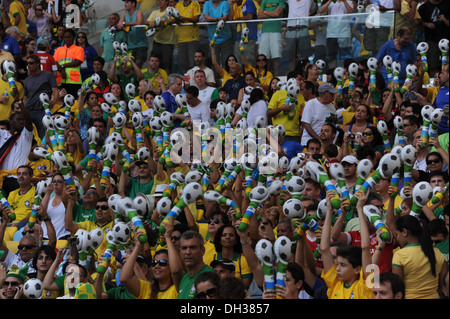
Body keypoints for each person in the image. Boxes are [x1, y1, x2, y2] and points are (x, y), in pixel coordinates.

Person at [320, 190, 374, 299]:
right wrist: (329, 210)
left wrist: (359, 209)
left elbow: (365, 247)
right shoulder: (334, 283)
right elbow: (324, 248)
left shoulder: (368, 285)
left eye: (343, 265)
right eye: (338, 264)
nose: (337, 269)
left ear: (357, 269)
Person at [392, 215, 447, 299]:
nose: (397, 239)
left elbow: (396, 289)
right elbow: (443, 287)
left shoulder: (400, 255)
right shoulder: (437, 253)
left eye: (397, 234)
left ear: (404, 232)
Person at [0, 95, 34, 196]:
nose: (22, 122)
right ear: (10, 120)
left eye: (23, 120)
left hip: (18, 180)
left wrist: (20, 103)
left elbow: (28, 119)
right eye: (19, 119)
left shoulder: (26, 135)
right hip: (2, 179)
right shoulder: (3, 134)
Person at [267, 70, 305, 143]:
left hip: (295, 136)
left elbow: (301, 118)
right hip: (279, 134)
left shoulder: (301, 97)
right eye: (300, 79)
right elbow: (268, 113)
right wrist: (281, 108)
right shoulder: (278, 94)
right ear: (292, 80)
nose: (302, 82)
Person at [175, 230, 215, 299]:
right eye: (184, 248)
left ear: (203, 250)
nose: (188, 252)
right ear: (180, 251)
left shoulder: (210, 277)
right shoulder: (184, 278)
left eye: (192, 247)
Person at [212, 224, 253, 289]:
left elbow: (245, 286)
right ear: (219, 239)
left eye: (231, 235)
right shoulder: (212, 258)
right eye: (224, 235)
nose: (227, 237)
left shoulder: (243, 260)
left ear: (236, 240)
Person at [317, 0, 354, 69]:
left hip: (344, 33)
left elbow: (351, 11)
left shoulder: (349, 1)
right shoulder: (330, 2)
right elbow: (320, 11)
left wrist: (344, 1)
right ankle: (332, 77)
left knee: (345, 59)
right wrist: (330, 0)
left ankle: (345, 78)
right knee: (331, 59)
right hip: (331, 34)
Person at [418, 0, 449, 76]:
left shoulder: (447, 4)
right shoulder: (423, 7)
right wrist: (426, 24)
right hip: (431, 39)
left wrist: (444, 19)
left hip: (447, 39)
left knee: (446, 65)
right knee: (433, 64)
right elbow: (418, 22)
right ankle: (435, 84)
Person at [3, 165, 35, 241]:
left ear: (31, 177)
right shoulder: (12, 194)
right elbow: (8, 213)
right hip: (12, 225)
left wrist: (19, 223)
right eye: (19, 174)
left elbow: (34, 214)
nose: (21, 176)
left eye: (24, 174)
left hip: (27, 224)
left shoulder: (35, 192)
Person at [301, 82, 337, 147]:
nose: (333, 96)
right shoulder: (311, 104)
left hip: (325, 145)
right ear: (324, 93)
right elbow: (306, 125)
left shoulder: (331, 106)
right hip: (308, 144)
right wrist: (318, 139)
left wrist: (334, 119)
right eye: (331, 94)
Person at [39, 173, 71, 244]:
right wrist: (48, 193)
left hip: (62, 236)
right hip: (45, 236)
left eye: (59, 182)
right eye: (54, 181)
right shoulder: (48, 199)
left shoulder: (68, 201)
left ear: (64, 184)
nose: (56, 184)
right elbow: (41, 213)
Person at [202, 0, 233, 70]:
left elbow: (225, 17)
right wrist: (218, 19)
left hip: (225, 38)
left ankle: (227, 79)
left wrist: (212, 19)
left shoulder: (224, 3)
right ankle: (215, 80)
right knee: (214, 63)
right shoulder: (207, 3)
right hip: (212, 39)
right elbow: (206, 17)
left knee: (227, 62)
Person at [257, 0, 285, 77]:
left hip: (276, 31)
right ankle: (266, 78)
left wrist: (265, 12)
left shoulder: (281, 1)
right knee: (264, 58)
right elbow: (259, 16)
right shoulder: (264, 1)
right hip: (264, 32)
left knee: (276, 57)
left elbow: (277, 13)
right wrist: (273, 14)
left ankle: (276, 78)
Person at [53, 28, 85, 97]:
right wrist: (62, 70)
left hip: (74, 81)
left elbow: (78, 62)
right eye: (65, 37)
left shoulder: (79, 49)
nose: (67, 39)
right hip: (61, 80)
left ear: (73, 37)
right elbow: (54, 62)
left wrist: (63, 65)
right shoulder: (59, 49)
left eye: (69, 37)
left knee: (74, 103)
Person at [146, 0, 175, 74]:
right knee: (154, 64)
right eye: (158, 0)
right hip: (157, 42)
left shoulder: (171, 10)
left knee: (167, 65)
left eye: (162, 0)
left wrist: (159, 22)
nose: (159, 1)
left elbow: (174, 20)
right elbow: (146, 21)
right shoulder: (155, 12)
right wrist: (151, 23)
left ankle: (166, 83)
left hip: (168, 42)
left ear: (167, 2)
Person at [117, 0, 147, 69]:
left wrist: (125, 23)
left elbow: (139, 22)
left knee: (137, 64)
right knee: (130, 66)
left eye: (127, 2)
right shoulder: (124, 13)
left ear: (133, 4)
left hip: (141, 44)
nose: (125, 4)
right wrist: (121, 25)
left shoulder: (139, 12)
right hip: (130, 45)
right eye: (125, 2)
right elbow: (119, 24)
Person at [174, 0, 201, 74]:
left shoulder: (195, 4)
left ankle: (193, 82)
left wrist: (185, 19)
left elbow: (196, 19)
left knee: (193, 64)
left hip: (192, 38)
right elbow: (174, 19)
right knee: (182, 64)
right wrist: (178, 19)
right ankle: (185, 83)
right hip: (181, 39)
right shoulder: (178, 5)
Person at [229, 0, 258, 67]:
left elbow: (249, 16)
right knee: (237, 60)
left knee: (248, 60)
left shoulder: (248, 2)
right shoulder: (235, 6)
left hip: (249, 36)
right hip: (238, 37)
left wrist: (239, 19)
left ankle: (248, 76)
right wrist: (231, 5)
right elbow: (231, 20)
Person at [433, 63, 449, 134]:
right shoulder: (441, 90)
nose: (440, 75)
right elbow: (434, 107)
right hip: (439, 130)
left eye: (442, 73)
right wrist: (419, 98)